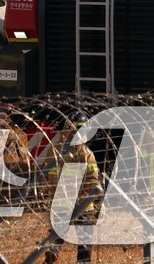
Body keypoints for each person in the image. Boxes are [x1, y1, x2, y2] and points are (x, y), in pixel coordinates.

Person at [41, 110, 102, 264]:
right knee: (85, 240)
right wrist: (91, 199)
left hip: (62, 202)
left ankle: (51, 255)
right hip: (83, 205)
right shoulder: (86, 153)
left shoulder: (55, 150)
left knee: (57, 235)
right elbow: (93, 180)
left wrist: (52, 197)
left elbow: (49, 178)